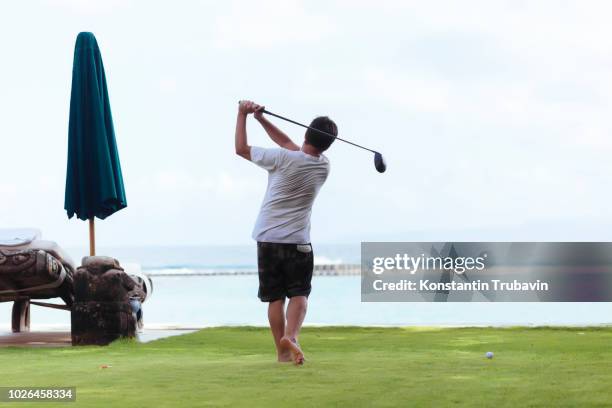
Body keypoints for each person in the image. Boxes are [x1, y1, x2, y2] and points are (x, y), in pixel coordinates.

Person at [234, 100, 337, 364]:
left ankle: (281, 351)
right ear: (327, 145)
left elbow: (241, 149)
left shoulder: (281, 159)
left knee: (275, 299)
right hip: (299, 242)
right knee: (300, 295)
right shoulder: (323, 167)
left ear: (306, 133)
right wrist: (261, 119)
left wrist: (243, 115)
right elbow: (291, 146)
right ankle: (291, 337)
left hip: (268, 239)